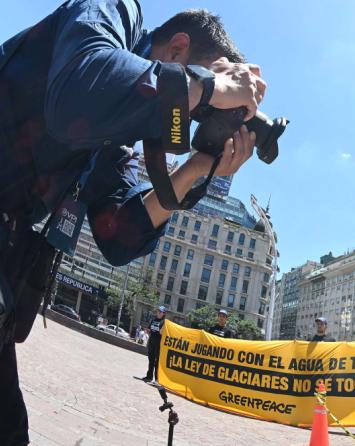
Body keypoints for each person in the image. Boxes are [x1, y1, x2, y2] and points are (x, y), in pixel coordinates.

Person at [0, 2, 267, 442]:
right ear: (178, 49)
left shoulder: (117, 133)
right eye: (204, 106)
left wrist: (196, 169)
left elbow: (118, 236)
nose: (193, 112)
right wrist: (210, 85)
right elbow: (79, 95)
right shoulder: (111, 14)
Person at [142, 306, 167, 383]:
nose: (158, 313)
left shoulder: (164, 322)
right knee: (151, 360)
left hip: (159, 344)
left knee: (157, 362)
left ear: (163, 313)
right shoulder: (153, 320)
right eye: (157, 311)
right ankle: (149, 377)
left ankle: (157, 379)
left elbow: (163, 333)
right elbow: (149, 329)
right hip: (152, 342)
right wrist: (147, 331)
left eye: (160, 312)